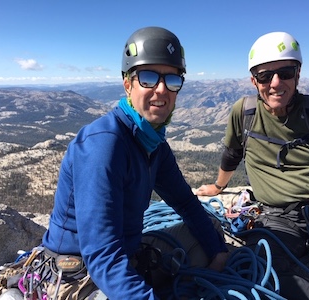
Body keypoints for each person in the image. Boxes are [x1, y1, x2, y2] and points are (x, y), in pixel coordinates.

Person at [42, 26, 228, 299]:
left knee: (210, 229)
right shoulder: (103, 145)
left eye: (172, 79)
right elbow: (102, 255)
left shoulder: (153, 144)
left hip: (124, 254)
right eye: (148, 77)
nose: (161, 90)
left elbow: (186, 203)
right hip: (80, 272)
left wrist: (219, 253)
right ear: (128, 84)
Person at [196, 31, 309, 299]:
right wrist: (218, 185)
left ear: (298, 74)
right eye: (264, 75)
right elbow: (232, 153)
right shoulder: (244, 113)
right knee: (261, 271)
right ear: (253, 80)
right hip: (281, 219)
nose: (275, 83)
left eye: (286, 72)